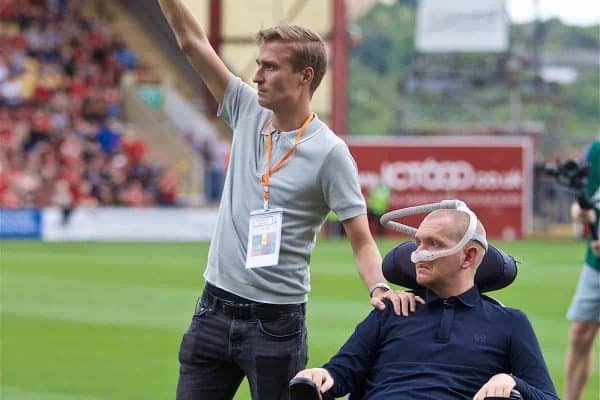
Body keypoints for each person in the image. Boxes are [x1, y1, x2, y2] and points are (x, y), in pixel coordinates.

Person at [157, 2, 420, 399]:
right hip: (213, 310)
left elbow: (361, 239)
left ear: (304, 77)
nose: (257, 76)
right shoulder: (246, 109)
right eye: (259, 65)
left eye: (270, 67)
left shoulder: (330, 153)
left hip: (275, 325)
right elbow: (191, 41)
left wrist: (378, 287)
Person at [294, 208, 559, 399]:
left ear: (468, 256)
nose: (418, 253)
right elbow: (340, 373)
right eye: (417, 242)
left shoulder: (508, 322)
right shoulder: (390, 311)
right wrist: (320, 375)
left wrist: (511, 382)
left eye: (433, 244)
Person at [565, 137, 600, 400]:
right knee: (580, 334)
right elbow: (586, 200)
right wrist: (580, 211)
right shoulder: (596, 151)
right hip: (595, 263)